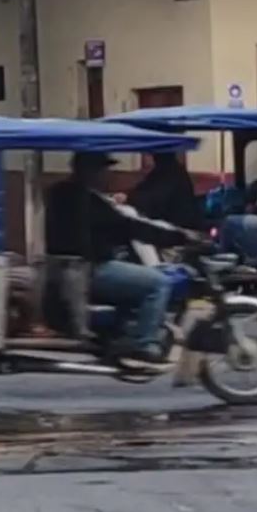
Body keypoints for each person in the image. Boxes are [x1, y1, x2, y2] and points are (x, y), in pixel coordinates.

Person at [46, 152, 192, 365]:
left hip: (70, 269)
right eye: (105, 170)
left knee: (135, 276)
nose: (109, 175)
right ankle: (145, 344)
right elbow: (129, 227)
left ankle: (123, 333)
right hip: (90, 269)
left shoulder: (61, 193)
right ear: (90, 171)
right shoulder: (86, 199)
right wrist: (181, 237)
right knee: (158, 283)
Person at [219, 148, 257, 272]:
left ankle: (253, 267)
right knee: (230, 222)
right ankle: (225, 262)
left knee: (243, 223)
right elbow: (248, 205)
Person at [128, 153, 203, 234]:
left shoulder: (170, 173)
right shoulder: (168, 170)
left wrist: (130, 198)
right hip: (171, 225)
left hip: (175, 228)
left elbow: (155, 199)